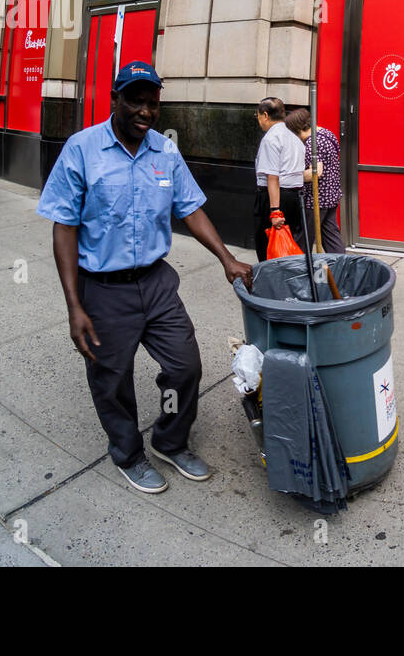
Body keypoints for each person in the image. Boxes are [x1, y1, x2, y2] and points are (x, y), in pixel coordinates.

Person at [37, 62, 253, 494]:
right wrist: (74, 305)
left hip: (156, 284)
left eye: (152, 103)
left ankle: (170, 441)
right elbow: (64, 225)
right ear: (115, 99)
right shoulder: (82, 149)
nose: (145, 111)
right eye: (135, 100)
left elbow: (189, 207)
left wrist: (226, 259)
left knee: (185, 366)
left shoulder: (165, 152)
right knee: (111, 380)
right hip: (102, 289)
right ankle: (128, 454)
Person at [284, 108, 346, 254]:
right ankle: (343, 267)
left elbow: (315, 172)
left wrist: (290, 177)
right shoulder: (326, 133)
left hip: (317, 199)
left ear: (298, 129)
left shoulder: (313, 142)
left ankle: (299, 269)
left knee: (304, 238)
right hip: (331, 195)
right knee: (331, 236)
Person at [253, 97, 307, 261]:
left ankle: (272, 284)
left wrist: (275, 211)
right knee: (286, 249)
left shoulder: (271, 138)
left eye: (258, 117)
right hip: (294, 198)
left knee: (267, 249)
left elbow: (273, 177)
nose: (259, 121)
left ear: (265, 115)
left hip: (275, 199)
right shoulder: (294, 137)